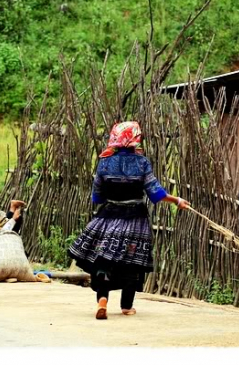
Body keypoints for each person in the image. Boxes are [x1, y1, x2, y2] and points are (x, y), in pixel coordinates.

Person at [68, 121, 192, 320]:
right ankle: (126, 306)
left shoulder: (104, 162)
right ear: (136, 138)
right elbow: (155, 193)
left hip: (108, 218)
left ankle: (102, 300)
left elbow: (97, 197)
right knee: (132, 263)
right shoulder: (141, 162)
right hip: (135, 220)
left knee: (103, 259)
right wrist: (176, 200)